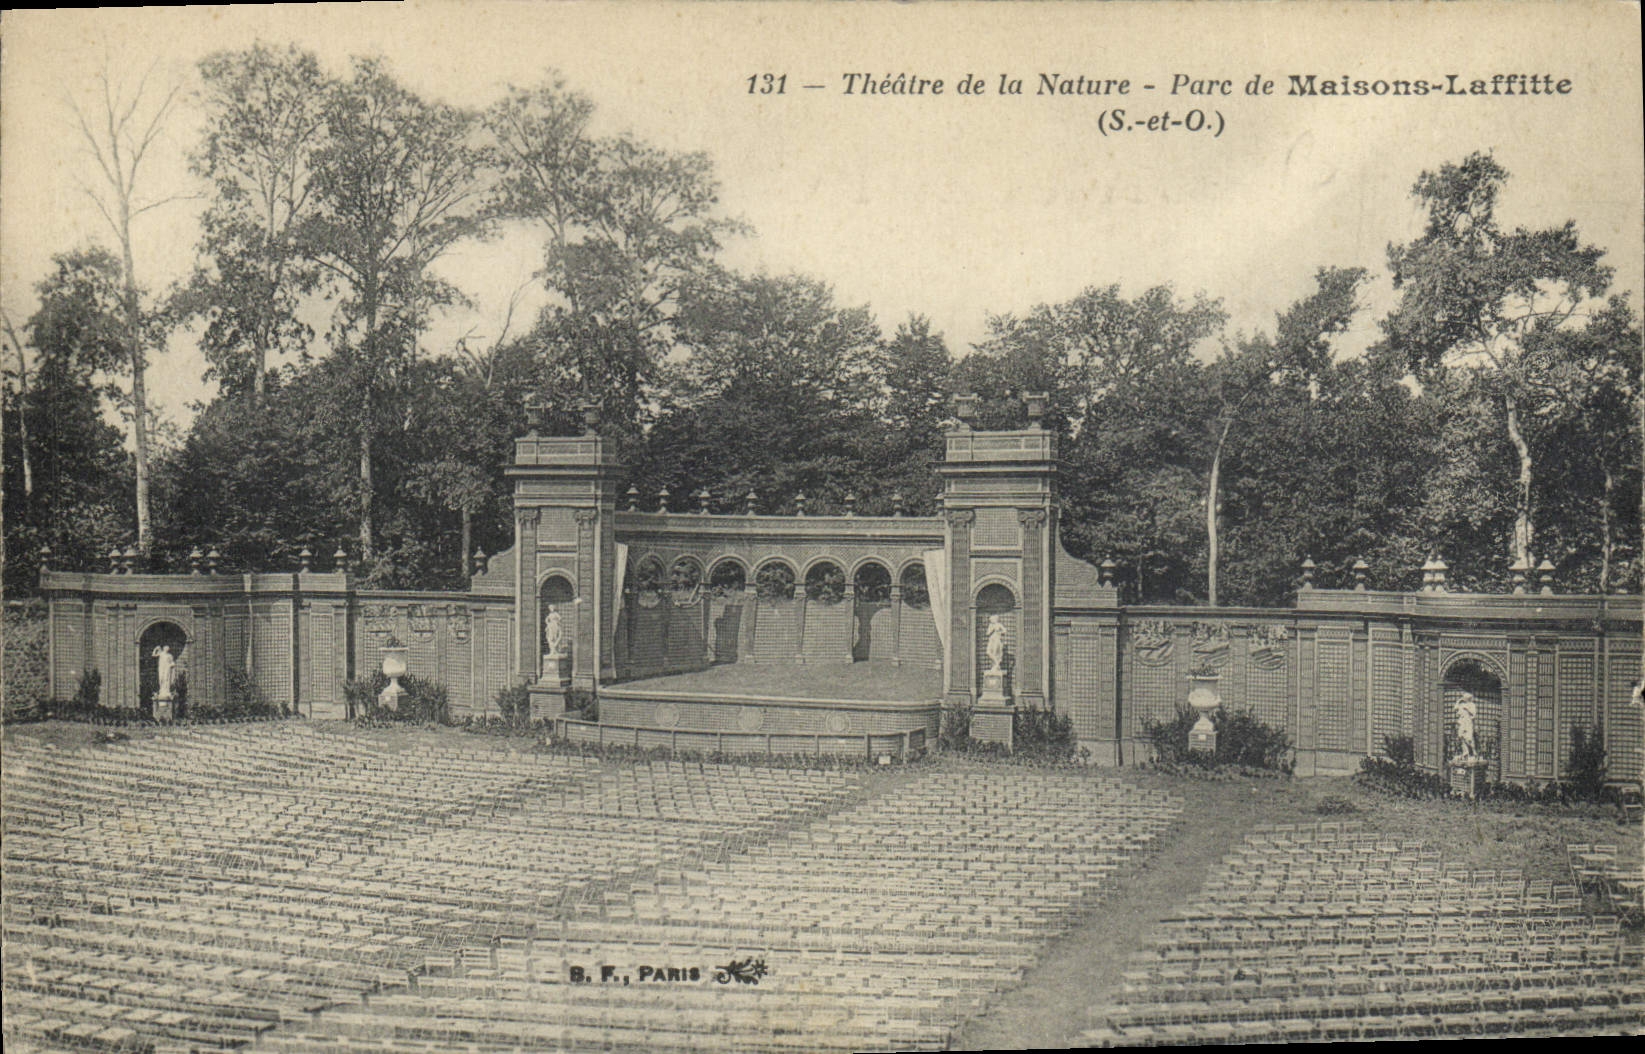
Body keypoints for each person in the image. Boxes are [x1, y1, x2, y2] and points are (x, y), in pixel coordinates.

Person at [1453, 691, 1477, 760]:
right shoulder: (1462, 704)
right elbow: (1455, 709)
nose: (1465, 699)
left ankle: (1473, 752)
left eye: (1466, 698)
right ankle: (1465, 752)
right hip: (1462, 722)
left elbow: (1474, 714)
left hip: (1468, 723)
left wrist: (1467, 709)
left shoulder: (1472, 705)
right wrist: (1458, 701)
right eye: (1464, 698)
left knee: (1469, 739)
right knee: (1461, 736)